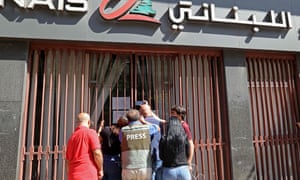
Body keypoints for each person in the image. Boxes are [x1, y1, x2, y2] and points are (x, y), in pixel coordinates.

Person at [119, 109, 160, 180]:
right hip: (144, 166)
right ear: (139, 118)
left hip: (128, 167)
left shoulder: (123, 131)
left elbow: (121, 140)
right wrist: (144, 122)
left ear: (128, 119)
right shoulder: (147, 128)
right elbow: (157, 128)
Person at [66, 112, 103, 180]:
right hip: (87, 174)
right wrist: (100, 169)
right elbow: (97, 153)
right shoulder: (91, 133)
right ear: (88, 122)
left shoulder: (71, 138)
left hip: (73, 175)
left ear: (77, 123)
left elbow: (68, 160)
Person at [139, 101, 164, 180]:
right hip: (158, 151)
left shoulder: (140, 123)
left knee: (150, 174)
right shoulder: (158, 121)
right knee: (158, 174)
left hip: (146, 153)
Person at [170, 105, 194, 169]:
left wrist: (189, 161)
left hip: (183, 160)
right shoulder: (172, 125)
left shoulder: (184, 126)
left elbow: (191, 143)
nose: (171, 115)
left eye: (173, 113)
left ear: (180, 115)